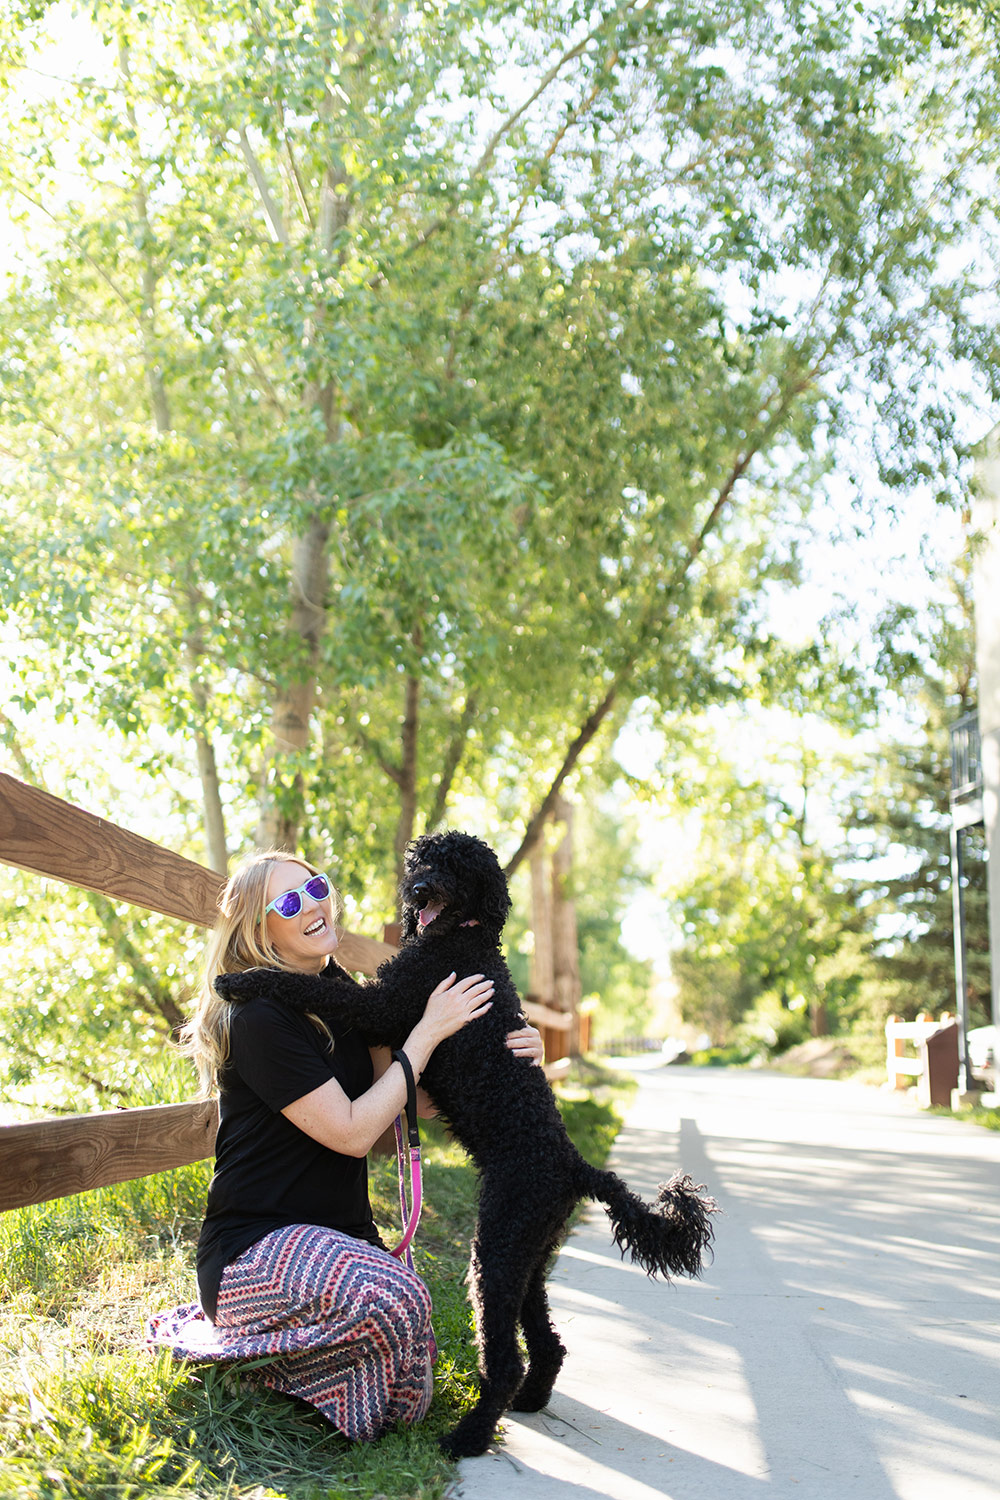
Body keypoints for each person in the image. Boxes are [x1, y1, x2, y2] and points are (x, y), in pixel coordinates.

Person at [147, 850, 543, 1442]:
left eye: (315, 887)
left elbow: (406, 1097)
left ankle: (276, 1361)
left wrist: (512, 1061)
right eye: (287, 902)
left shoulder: (342, 994)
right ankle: (246, 1366)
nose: (311, 904)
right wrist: (430, 1028)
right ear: (261, 931)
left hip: (340, 1238)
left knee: (412, 1375)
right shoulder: (258, 1018)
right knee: (395, 1300)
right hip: (252, 1247)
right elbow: (357, 1132)